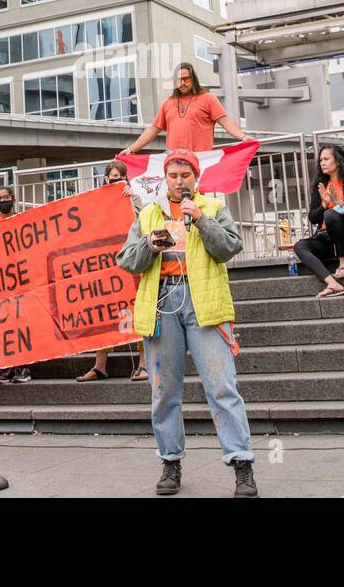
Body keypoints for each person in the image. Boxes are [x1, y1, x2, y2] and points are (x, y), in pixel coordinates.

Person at [117, 149, 257, 497]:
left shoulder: (212, 208)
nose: (179, 182)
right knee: (164, 391)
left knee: (222, 386)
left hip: (203, 301)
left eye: (186, 176)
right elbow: (126, 260)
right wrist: (149, 244)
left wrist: (202, 220)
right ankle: (170, 461)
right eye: (174, 176)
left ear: (196, 178)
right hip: (163, 302)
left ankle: (242, 464)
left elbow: (228, 248)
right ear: (166, 179)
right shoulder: (149, 214)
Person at [76, 160, 148, 382]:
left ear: (125, 178)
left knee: (137, 314)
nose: (114, 179)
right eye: (111, 175)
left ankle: (143, 365)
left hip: (129, 263)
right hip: (105, 267)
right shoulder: (96, 200)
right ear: (105, 178)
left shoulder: (134, 199)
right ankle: (100, 366)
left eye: (119, 175)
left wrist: (130, 201)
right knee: (103, 314)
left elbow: (144, 223)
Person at [293, 144, 344, 297]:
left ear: (338, 161)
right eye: (321, 160)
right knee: (299, 246)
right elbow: (313, 218)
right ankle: (332, 283)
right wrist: (324, 204)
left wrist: (341, 205)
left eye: (326, 159)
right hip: (326, 237)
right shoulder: (321, 185)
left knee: (331, 214)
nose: (322, 163)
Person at [125, 63, 248, 153]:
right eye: (179, 80)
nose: (182, 83)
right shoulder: (167, 103)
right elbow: (152, 130)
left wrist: (243, 136)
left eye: (186, 79)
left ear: (193, 79)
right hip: (174, 163)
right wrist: (131, 149)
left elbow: (226, 122)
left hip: (200, 160)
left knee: (200, 190)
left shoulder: (208, 98)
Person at [0, 185, 33, 385]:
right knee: (5, 327)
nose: (2, 201)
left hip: (22, 282)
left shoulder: (23, 221)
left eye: (5, 197)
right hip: (2, 284)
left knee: (21, 325)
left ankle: (23, 367)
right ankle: (8, 366)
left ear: (13, 199)